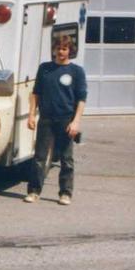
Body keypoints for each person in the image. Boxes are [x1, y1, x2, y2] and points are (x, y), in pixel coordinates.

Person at [25, 34, 87, 206]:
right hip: (46, 119)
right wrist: (31, 115)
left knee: (66, 159)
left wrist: (76, 122)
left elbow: (81, 99)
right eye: (58, 48)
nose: (61, 52)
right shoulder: (45, 69)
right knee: (39, 158)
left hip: (66, 120)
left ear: (70, 51)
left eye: (64, 49)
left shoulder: (76, 72)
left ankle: (65, 193)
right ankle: (34, 191)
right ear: (54, 49)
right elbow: (36, 94)